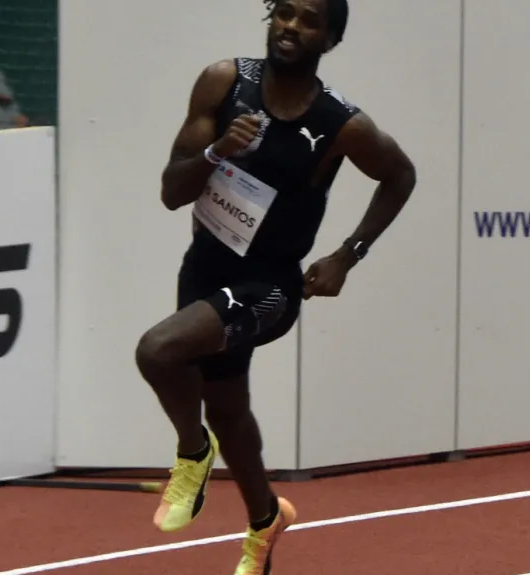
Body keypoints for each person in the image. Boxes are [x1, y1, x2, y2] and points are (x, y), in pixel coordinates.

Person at [133, 0, 417, 572]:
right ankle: (265, 523)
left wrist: (347, 254)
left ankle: (192, 453)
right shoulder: (224, 82)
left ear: (330, 39)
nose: (290, 26)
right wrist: (217, 152)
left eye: (308, 19)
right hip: (205, 269)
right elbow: (171, 190)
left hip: (271, 287)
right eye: (283, 12)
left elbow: (400, 175)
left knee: (158, 351)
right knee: (230, 411)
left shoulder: (342, 124)